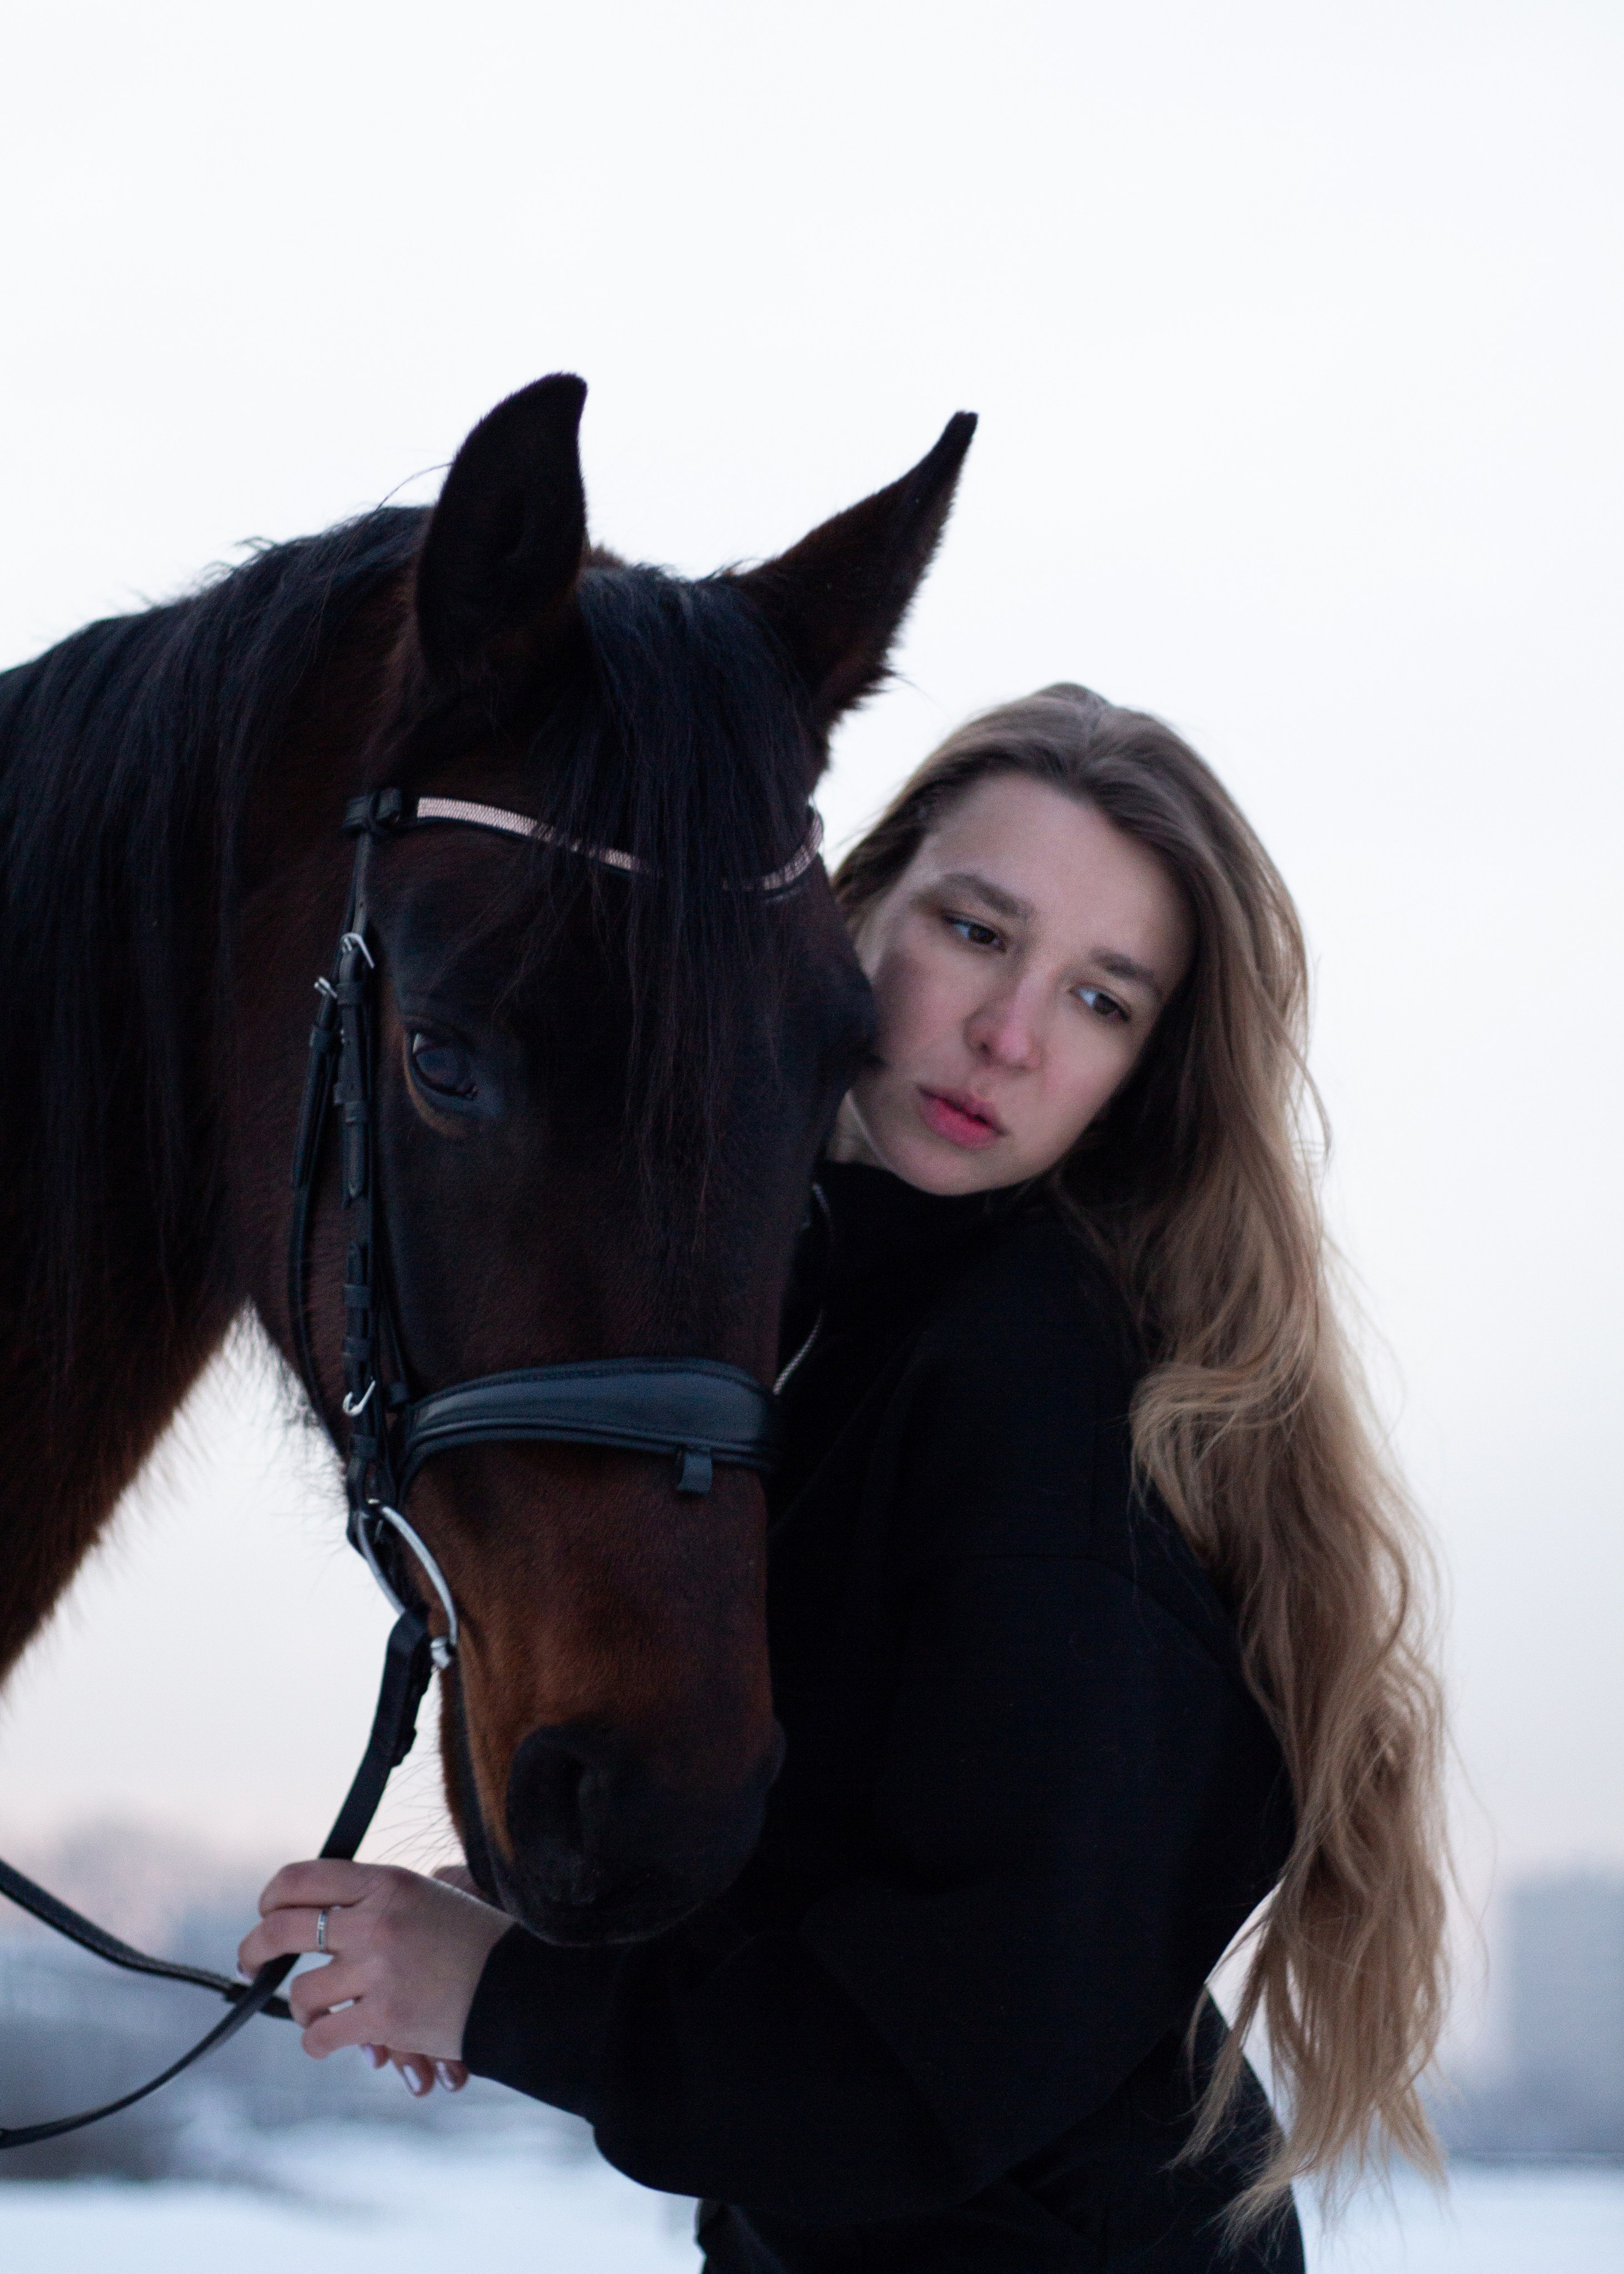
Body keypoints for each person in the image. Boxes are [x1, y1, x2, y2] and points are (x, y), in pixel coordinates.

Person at [242, 685, 1448, 2270]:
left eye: (1101, 1000)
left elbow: (932, 2058)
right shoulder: (841, 1322)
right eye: (975, 930)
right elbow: (866, 1860)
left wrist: (503, 1996)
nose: (1007, 1034)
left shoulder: (1051, 1397)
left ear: (1143, 1074)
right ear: (857, 908)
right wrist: (546, 1925)